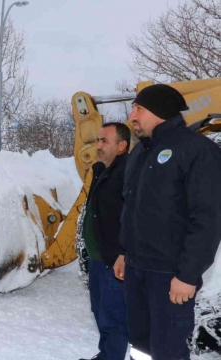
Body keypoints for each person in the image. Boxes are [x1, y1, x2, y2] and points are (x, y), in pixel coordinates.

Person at [119, 84, 221, 360]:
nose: (132, 115)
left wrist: (188, 275)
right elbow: (131, 208)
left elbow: (208, 219)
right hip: (136, 267)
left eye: (139, 108)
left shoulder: (197, 150)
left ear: (160, 111)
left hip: (170, 275)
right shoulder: (139, 153)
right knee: (140, 342)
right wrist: (123, 253)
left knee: (168, 349)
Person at [79, 123, 130, 360]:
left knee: (113, 316)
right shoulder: (103, 170)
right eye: (98, 141)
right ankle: (107, 355)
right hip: (98, 259)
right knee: (100, 312)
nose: (98, 146)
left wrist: (124, 252)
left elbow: (134, 217)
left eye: (104, 141)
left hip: (114, 260)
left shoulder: (127, 173)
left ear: (122, 146)